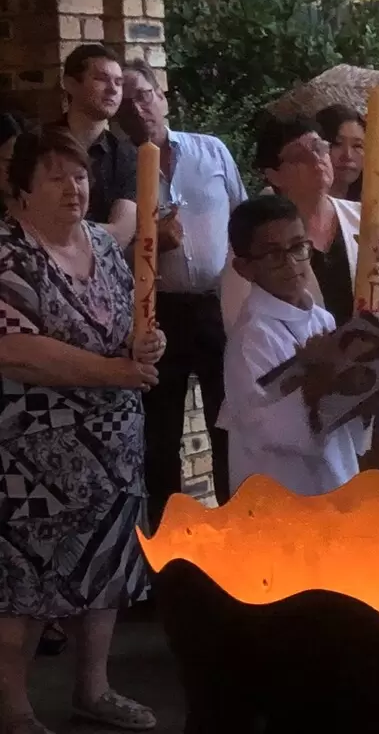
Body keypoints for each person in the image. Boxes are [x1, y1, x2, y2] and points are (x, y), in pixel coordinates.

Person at [0, 128, 165, 734]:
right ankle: (14, 706)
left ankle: (93, 689)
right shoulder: (7, 252)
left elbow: (129, 323)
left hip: (112, 443)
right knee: (22, 579)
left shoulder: (103, 241)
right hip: (30, 450)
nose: (73, 188)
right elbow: (16, 350)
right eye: (55, 177)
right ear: (21, 188)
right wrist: (116, 371)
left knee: (103, 567)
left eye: (79, 176)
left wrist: (143, 345)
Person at [238, 116, 379, 485]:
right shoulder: (255, 241)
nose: (319, 158)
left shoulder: (370, 220)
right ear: (273, 174)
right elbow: (253, 349)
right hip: (307, 423)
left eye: (321, 147)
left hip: (377, 407)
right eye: (301, 154)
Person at [116, 59, 247, 527]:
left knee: (227, 423)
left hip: (215, 306)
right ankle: (169, 544)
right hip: (157, 311)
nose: (137, 108)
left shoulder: (211, 151)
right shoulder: (118, 170)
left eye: (143, 95)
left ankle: (239, 531)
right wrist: (145, 241)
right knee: (160, 433)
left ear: (162, 96)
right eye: (126, 101)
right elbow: (105, 246)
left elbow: (242, 221)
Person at [219, 196, 367, 496]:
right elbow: (270, 429)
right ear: (244, 267)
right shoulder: (251, 338)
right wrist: (318, 380)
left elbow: (345, 416)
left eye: (298, 247)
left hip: (335, 479)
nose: (291, 263)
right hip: (281, 489)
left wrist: (369, 394)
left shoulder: (322, 319)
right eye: (273, 254)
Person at [57, 44, 137, 249]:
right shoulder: (36, 144)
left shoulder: (126, 155)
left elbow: (119, 235)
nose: (113, 89)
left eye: (119, 83)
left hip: (103, 275)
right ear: (70, 84)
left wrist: (55, 228)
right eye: (101, 79)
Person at [315, 104, 379, 203]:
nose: (348, 155)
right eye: (337, 144)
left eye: (357, 146)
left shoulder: (368, 208)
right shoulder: (301, 204)